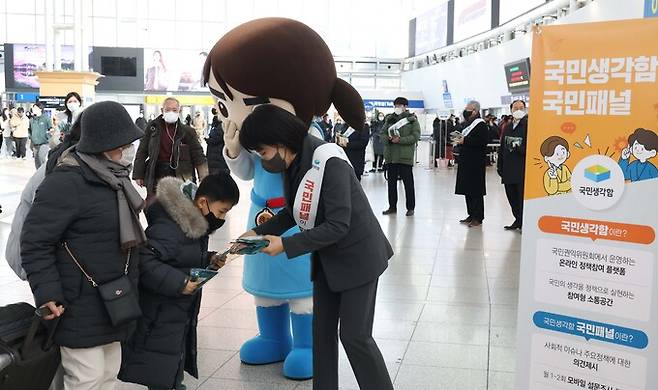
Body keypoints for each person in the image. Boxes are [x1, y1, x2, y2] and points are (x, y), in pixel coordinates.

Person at [239, 104, 394, 390]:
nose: (262, 160)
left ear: (279, 142)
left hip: (358, 258)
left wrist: (285, 244)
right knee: (320, 334)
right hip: (327, 258)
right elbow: (293, 211)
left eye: (262, 152)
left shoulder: (327, 161)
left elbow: (338, 225)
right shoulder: (293, 161)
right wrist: (256, 232)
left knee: (355, 336)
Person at [21, 101, 146, 390]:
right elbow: (35, 242)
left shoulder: (116, 179)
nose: (128, 149)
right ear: (104, 142)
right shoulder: (67, 181)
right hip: (78, 303)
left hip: (114, 298)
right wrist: (47, 292)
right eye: (123, 144)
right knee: (86, 379)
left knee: (109, 374)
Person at [119, 174, 239, 390]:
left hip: (173, 313)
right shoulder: (170, 227)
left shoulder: (191, 221)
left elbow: (182, 256)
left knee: (169, 369)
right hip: (159, 314)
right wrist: (180, 282)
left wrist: (210, 259)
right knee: (161, 372)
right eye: (222, 211)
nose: (221, 218)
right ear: (203, 202)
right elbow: (144, 261)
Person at [6, 110, 84, 282]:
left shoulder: (76, 164)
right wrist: (47, 287)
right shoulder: (60, 173)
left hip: (48, 267)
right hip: (39, 267)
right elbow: (38, 239)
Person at [133, 97, 208, 203]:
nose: (171, 112)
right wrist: (138, 174)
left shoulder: (187, 132)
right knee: (154, 207)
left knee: (181, 209)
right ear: (162, 110)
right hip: (157, 173)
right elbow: (142, 151)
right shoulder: (152, 129)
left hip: (181, 176)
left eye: (174, 110)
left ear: (179, 111)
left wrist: (204, 178)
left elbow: (199, 156)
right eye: (167, 110)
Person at [380, 97, 421, 217]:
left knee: (408, 183)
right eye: (396, 105)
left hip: (405, 157)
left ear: (405, 106)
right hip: (391, 157)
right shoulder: (389, 119)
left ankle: (410, 207)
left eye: (400, 105)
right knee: (391, 183)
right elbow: (382, 133)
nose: (397, 108)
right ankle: (392, 207)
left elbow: (415, 136)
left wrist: (401, 140)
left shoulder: (412, 120)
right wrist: (387, 138)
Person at [455, 100, 488, 227]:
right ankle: (471, 214)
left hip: (476, 162)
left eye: (468, 108)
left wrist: (466, 140)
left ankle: (478, 217)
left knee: (476, 191)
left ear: (475, 110)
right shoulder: (467, 124)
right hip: (465, 161)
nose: (466, 110)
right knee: (467, 189)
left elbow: (482, 142)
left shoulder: (481, 125)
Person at [498, 100, 528, 231]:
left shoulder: (528, 125)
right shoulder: (508, 126)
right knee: (511, 197)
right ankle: (517, 220)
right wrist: (500, 166)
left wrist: (518, 147)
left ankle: (523, 222)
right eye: (516, 108)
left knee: (521, 197)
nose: (518, 110)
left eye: (521, 107)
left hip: (521, 168)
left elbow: (530, 147)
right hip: (508, 167)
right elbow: (502, 147)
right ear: (511, 110)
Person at [205, 107, 229, 174]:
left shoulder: (223, 125)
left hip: (219, 158)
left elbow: (216, 138)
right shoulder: (216, 123)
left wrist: (208, 140)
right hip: (214, 158)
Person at [29, 102, 52, 169]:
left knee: (41, 157)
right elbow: (29, 130)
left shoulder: (46, 118)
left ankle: (44, 173)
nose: (33, 109)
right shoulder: (32, 120)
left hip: (44, 143)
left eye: (35, 108)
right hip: (35, 143)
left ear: (40, 109)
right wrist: (31, 137)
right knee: (37, 161)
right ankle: (38, 175)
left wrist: (47, 137)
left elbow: (51, 129)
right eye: (33, 108)